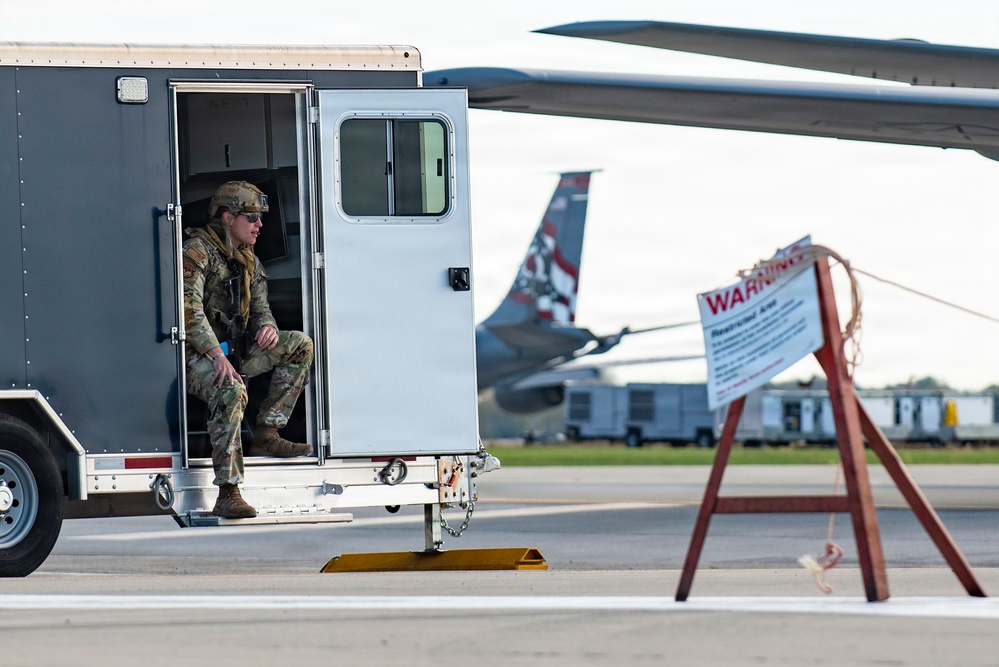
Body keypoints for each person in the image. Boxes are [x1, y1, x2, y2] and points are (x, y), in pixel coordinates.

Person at [183, 180, 314, 519]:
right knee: (231, 389)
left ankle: (268, 432)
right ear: (227, 217)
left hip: (234, 352)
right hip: (195, 357)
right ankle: (228, 492)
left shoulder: (248, 260)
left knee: (299, 344)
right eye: (252, 217)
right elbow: (188, 310)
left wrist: (267, 327)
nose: (259, 225)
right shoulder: (197, 252)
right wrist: (217, 356)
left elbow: (259, 308)